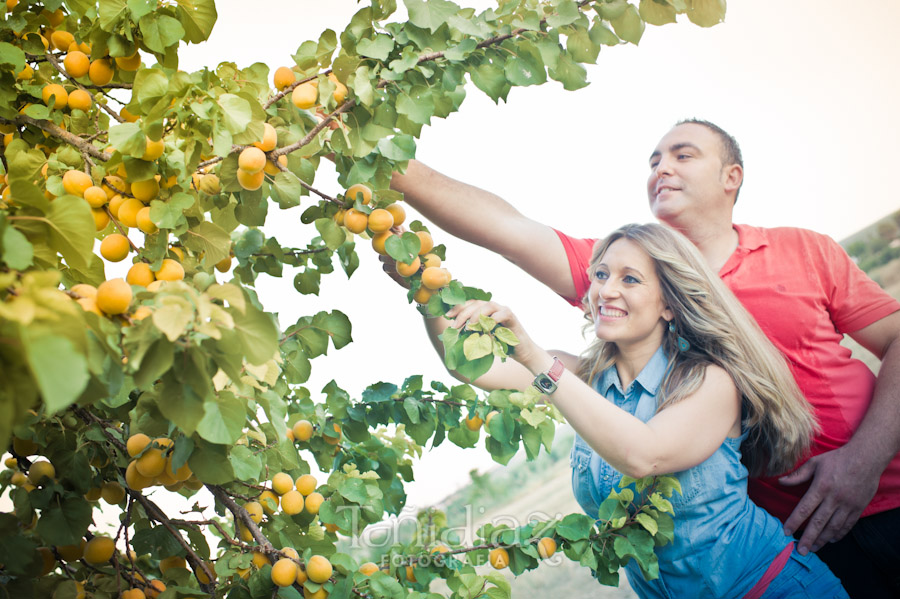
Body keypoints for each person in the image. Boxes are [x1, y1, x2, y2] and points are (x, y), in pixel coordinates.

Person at [390, 120, 900, 597]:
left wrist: (865, 458)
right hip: (793, 529)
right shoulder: (623, 275)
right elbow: (503, 232)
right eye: (653, 159)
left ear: (732, 176)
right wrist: (383, 179)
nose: (661, 168)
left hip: (881, 499)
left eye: (683, 154)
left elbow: (644, 453)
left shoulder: (781, 277)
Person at [417, 222, 847, 598]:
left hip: (772, 589)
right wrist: (422, 285)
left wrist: (533, 355)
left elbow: (645, 454)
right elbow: (468, 365)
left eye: (630, 279)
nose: (606, 289)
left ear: (669, 303)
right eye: (601, 274)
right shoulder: (586, 378)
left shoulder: (711, 381)